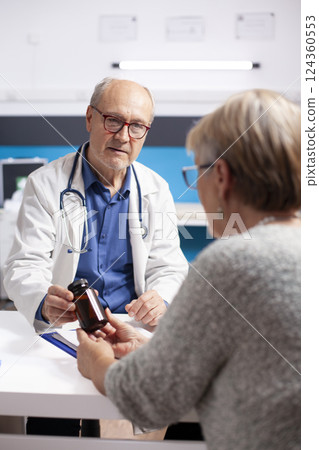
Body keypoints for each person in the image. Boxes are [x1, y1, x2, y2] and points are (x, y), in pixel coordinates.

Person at [76, 89, 301, 449]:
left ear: (222, 176)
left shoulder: (231, 264)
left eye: (196, 173)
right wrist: (157, 351)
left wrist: (96, 360)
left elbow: (149, 395)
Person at [3, 77, 188, 436]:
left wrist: (160, 297)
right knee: (52, 420)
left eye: (137, 126)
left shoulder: (155, 189)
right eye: (113, 120)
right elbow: (24, 264)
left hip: (128, 328)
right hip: (67, 329)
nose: (123, 136)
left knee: (135, 416)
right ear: (90, 118)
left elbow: (169, 264)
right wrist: (43, 301)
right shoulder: (46, 183)